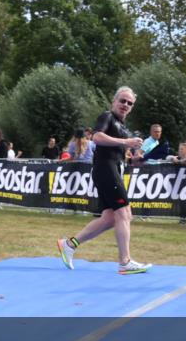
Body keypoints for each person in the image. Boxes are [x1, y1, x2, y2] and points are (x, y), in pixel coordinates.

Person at [57, 86, 152, 275]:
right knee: (124, 213)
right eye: (122, 101)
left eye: (129, 103)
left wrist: (133, 158)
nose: (125, 105)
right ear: (114, 101)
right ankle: (124, 262)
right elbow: (97, 137)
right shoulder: (107, 116)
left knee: (110, 218)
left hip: (113, 169)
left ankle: (69, 244)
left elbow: (116, 150)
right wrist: (126, 142)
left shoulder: (123, 128)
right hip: (105, 169)